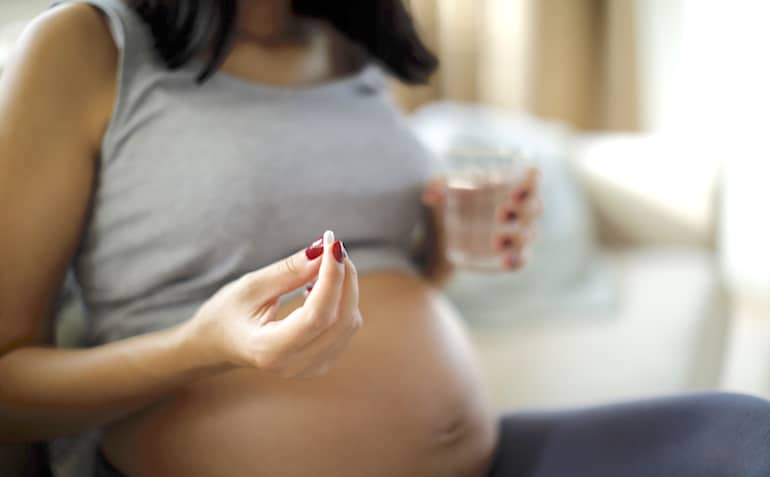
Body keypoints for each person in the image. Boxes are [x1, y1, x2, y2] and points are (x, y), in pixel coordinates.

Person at [0, 1, 768, 476]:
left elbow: (385, 279)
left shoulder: (352, 49)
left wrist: (443, 245)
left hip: (478, 458)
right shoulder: (85, 47)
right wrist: (205, 345)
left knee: (743, 435)